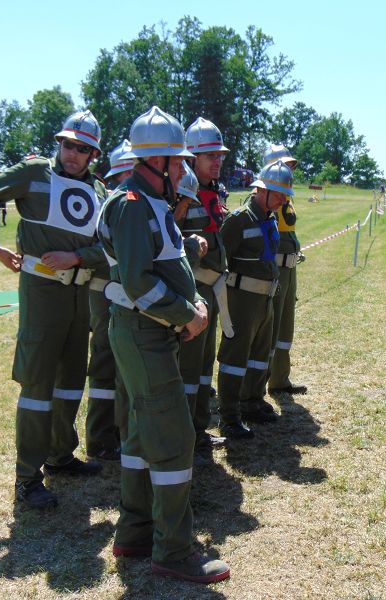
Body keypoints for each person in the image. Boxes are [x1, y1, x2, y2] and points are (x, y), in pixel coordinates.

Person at [98, 106, 229, 583]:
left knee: (139, 434)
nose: (185, 169)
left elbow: (169, 263)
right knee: (173, 438)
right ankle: (173, 551)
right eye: (177, 161)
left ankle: (135, 532)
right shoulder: (133, 204)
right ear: (154, 162)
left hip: (151, 334)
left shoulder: (150, 203)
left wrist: (188, 297)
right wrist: (187, 314)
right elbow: (138, 284)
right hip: (144, 333)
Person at [0, 109, 108, 509]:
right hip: (42, 292)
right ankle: (27, 479)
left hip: (79, 295)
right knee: (37, 386)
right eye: (68, 144)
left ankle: (59, 456)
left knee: (70, 381)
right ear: (59, 144)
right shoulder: (33, 173)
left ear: (93, 155)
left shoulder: (100, 192)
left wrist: (79, 258)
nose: (73, 153)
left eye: (83, 149)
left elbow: (110, 247)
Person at [217, 160, 290, 439]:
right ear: (261, 190)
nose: (283, 199)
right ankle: (229, 416)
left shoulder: (269, 219)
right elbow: (222, 259)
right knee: (235, 357)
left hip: (265, 300)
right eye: (279, 192)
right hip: (242, 301)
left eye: (285, 194)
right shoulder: (239, 219)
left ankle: (252, 401)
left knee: (260, 355)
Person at [177, 116, 230, 463]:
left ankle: (198, 431)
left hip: (211, 291)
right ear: (191, 157)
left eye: (220, 155)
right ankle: (184, 440)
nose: (218, 161)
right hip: (190, 291)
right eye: (210, 154)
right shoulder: (181, 193)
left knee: (202, 370)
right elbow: (165, 239)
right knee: (187, 371)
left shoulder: (214, 193)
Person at [84, 139, 135, 463]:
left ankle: (118, 431)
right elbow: (94, 248)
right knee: (104, 363)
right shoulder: (110, 203)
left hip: (124, 291)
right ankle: (101, 439)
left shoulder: (130, 201)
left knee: (122, 365)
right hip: (105, 290)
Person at [261, 144, 307, 398]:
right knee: (272, 325)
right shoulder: (267, 197)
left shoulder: (286, 197)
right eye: (284, 165)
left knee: (285, 327)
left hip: (289, 268)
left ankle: (280, 378)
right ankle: (263, 382)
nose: (289, 170)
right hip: (276, 269)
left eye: (290, 166)